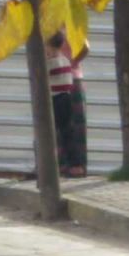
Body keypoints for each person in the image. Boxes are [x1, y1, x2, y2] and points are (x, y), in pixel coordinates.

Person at [47, 32, 89, 178]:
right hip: (66, 94)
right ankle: (74, 165)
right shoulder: (65, 60)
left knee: (54, 131)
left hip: (56, 97)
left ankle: (58, 165)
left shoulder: (52, 62)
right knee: (68, 130)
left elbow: (85, 47)